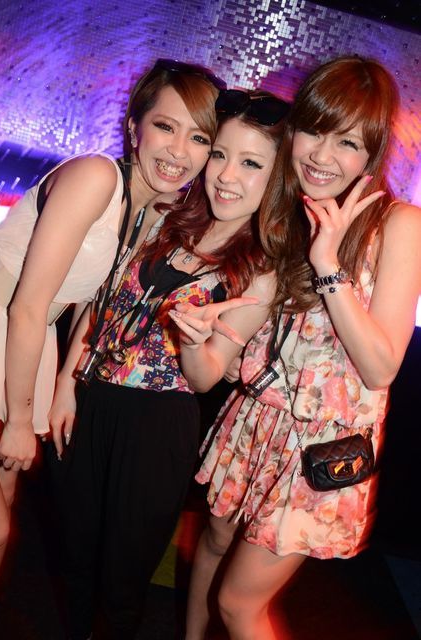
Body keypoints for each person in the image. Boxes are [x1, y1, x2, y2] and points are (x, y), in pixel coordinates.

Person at [172, 56, 421, 640]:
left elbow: (381, 367)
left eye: (348, 143)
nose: (321, 156)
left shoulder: (398, 224)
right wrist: (207, 335)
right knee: (211, 543)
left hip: (321, 448)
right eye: (313, 131)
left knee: (239, 604)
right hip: (255, 423)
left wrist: (328, 264)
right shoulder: (284, 216)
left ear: (372, 153)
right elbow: (239, 340)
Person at [49, 87, 289, 640]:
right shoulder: (164, 214)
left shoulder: (260, 270)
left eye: (251, 163)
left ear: (276, 178)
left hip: (157, 427)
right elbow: (102, 301)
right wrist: (66, 382)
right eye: (220, 154)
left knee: (122, 582)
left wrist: (193, 341)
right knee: (72, 558)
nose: (226, 175)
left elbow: (205, 378)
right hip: (91, 398)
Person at [0, 57, 225, 590]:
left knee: (6, 497)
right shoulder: (95, 177)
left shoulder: (150, 212)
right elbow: (27, 306)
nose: (179, 151)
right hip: (10, 323)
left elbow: (91, 303)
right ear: (133, 126)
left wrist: (66, 383)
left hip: (25, 343)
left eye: (198, 138)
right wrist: (24, 419)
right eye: (165, 126)